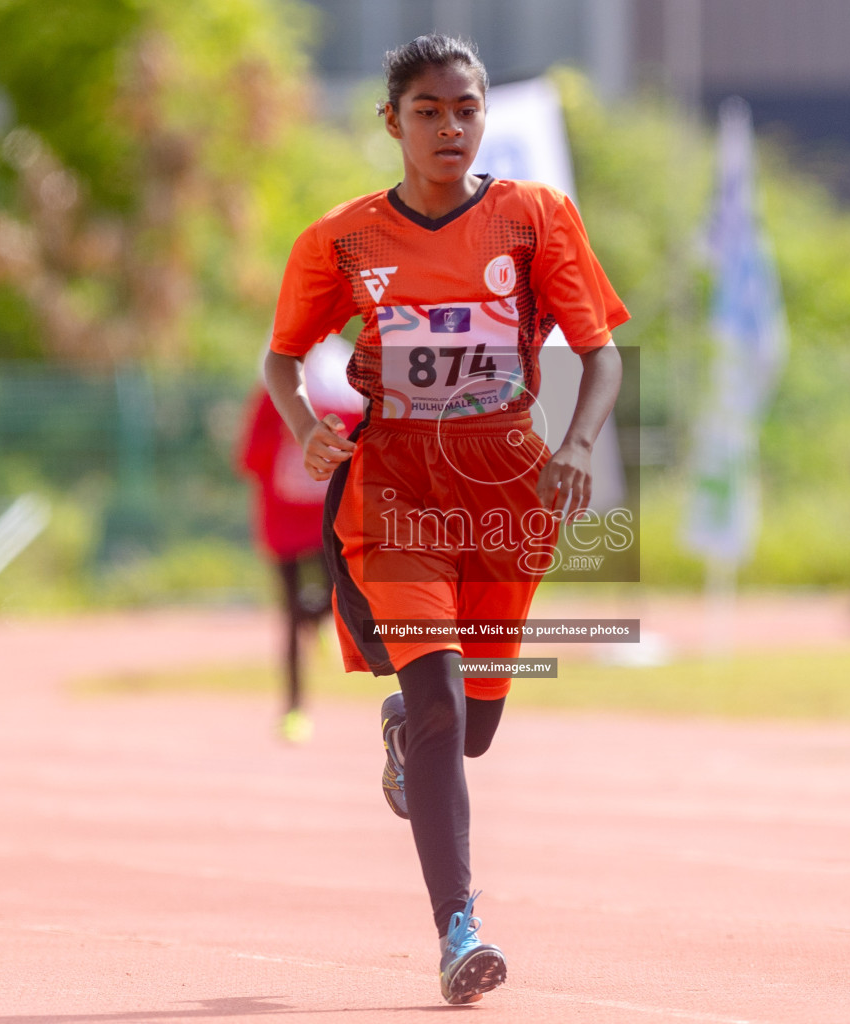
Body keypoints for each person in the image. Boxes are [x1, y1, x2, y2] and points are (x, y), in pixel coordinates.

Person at [262, 34, 626, 1005]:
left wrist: (579, 444)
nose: (450, 127)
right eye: (428, 111)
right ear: (393, 122)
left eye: (465, 109)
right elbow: (281, 356)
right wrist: (305, 426)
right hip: (396, 488)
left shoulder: (536, 220)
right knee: (438, 701)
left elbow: (603, 356)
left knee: (471, 731)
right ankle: (457, 925)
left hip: (507, 489)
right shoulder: (343, 239)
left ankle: (404, 732)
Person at [236, 338, 363, 743]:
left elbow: (359, 449)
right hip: (282, 521)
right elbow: (250, 456)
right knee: (290, 615)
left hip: (325, 521)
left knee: (339, 596)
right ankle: (294, 707)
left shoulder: (340, 383)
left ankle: (321, 619)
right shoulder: (273, 390)